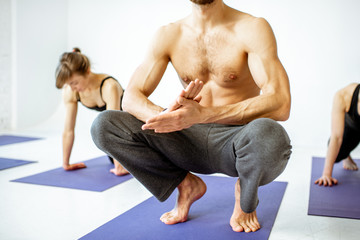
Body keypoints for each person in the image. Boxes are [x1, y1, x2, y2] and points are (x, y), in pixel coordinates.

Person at [91, 0, 291, 233]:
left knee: (270, 135)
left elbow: (281, 104)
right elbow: (131, 99)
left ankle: (245, 194)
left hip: (235, 141)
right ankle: (186, 186)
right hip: (186, 138)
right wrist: (167, 116)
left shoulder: (251, 28)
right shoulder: (169, 34)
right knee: (104, 125)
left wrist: (204, 114)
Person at [55, 47, 129, 176]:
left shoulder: (108, 86)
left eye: (75, 83)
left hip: (134, 130)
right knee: (113, 159)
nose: (72, 88)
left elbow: (113, 127)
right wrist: (66, 163)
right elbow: (68, 130)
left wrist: (120, 167)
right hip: (117, 141)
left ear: (87, 71)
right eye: (68, 84)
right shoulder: (71, 91)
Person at [315, 83, 359, 187]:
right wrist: (326, 174)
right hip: (353, 128)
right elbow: (336, 137)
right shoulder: (343, 95)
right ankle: (346, 155)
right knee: (338, 154)